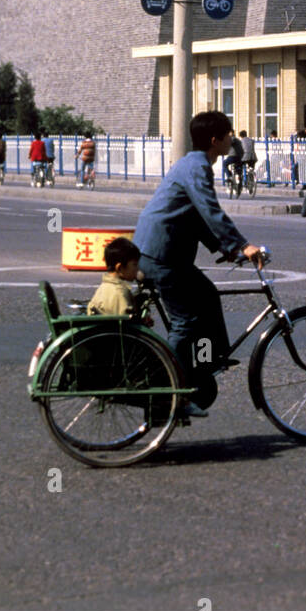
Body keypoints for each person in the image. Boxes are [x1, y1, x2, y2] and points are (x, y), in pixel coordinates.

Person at [133, 111, 263, 418]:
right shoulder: (197, 167)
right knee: (185, 322)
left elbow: (196, 217)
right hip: (160, 254)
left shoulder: (194, 164)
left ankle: (205, 361)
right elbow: (210, 210)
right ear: (215, 140)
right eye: (229, 135)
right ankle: (168, 393)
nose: (232, 139)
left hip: (165, 252)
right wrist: (242, 245)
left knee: (206, 294)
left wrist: (226, 248)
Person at [86, 237, 153, 325]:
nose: (137, 269)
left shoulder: (104, 287)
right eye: (134, 265)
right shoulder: (119, 293)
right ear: (119, 267)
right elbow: (127, 325)